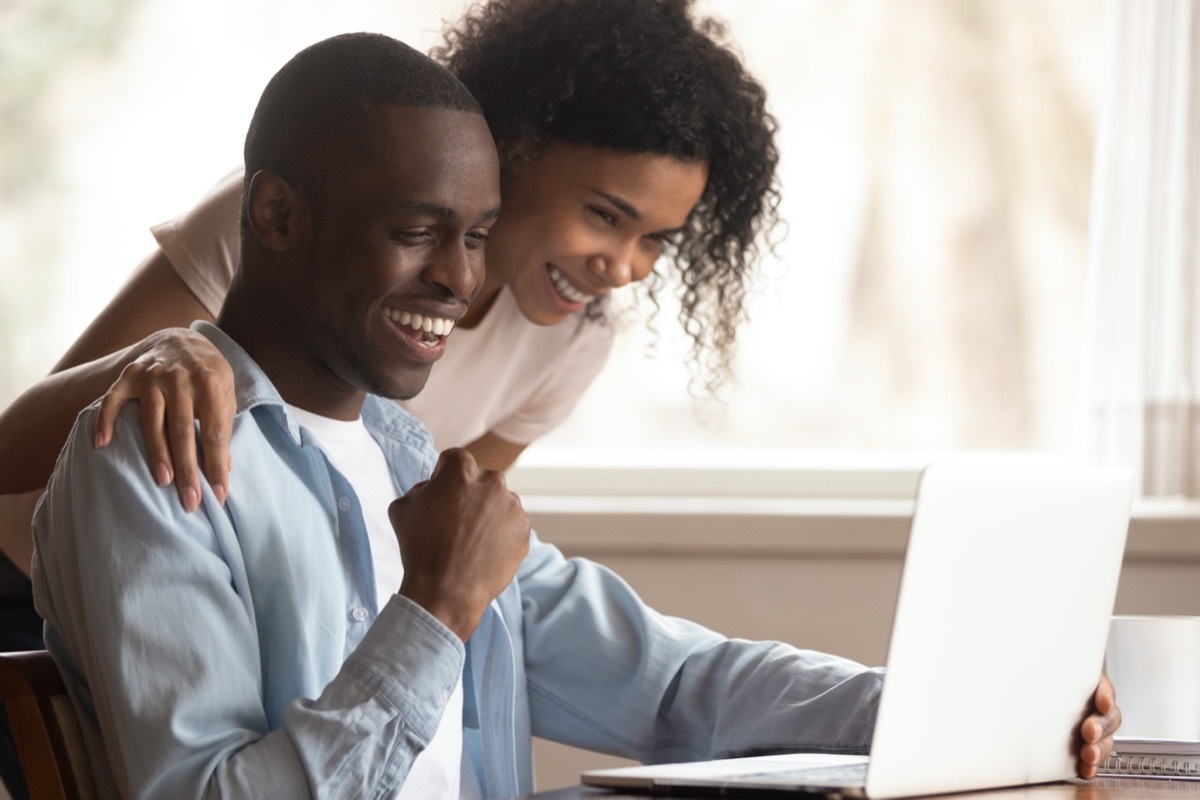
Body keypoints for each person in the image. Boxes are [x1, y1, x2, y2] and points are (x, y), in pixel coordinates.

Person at [31, 32, 1119, 799]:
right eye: (421, 230)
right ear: (277, 215)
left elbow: (675, 678)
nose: (461, 280)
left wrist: (953, 699)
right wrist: (436, 608)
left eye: (478, 234)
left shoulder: (413, 460)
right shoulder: (159, 450)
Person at [0, 0, 773, 568]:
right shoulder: (297, 221)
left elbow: (423, 530)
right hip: (45, 581)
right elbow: (13, 453)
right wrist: (166, 354)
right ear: (517, 146)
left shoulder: (572, 341)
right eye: (605, 216)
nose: (625, 267)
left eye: (655, 242)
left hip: (232, 601)